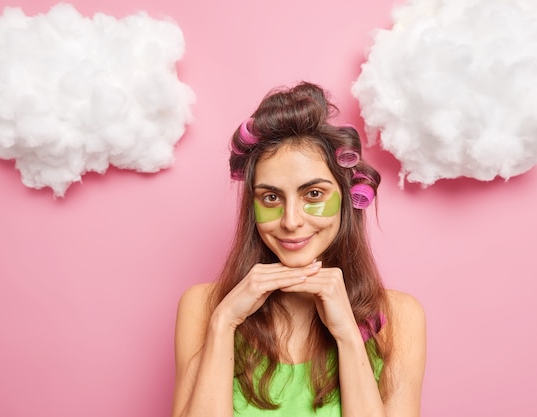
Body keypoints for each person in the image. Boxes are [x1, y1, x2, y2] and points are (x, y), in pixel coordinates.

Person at [171, 81, 426, 417]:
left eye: (314, 195)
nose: (290, 221)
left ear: (347, 200)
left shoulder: (398, 316)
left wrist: (348, 335)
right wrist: (225, 322)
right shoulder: (203, 307)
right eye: (272, 198)